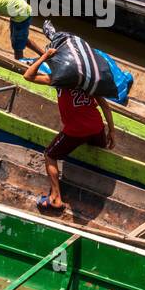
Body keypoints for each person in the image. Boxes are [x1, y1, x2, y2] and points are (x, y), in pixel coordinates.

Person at [22, 47, 116, 211]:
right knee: (98, 150)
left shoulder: (57, 80)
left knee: (50, 155)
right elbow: (106, 107)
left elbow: (27, 75)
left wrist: (44, 56)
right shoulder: (88, 83)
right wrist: (112, 131)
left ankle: (55, 198)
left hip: (76, 131)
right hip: (96, 127)